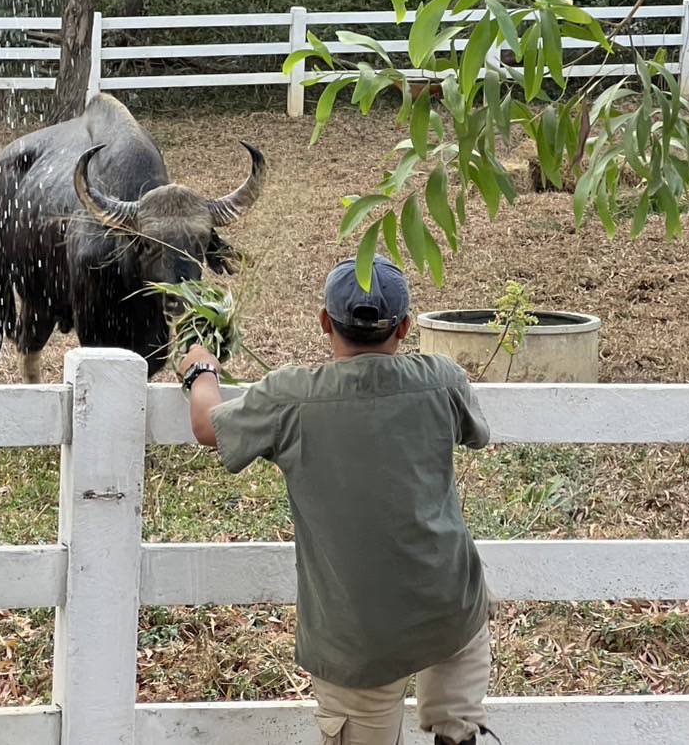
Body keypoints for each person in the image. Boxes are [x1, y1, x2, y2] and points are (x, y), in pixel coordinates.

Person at [179, 256, 494, 745]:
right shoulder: (442, 379)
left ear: (325, 322)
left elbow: (208, 425)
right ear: (405, 327)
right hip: (451, 606)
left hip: (358, 634)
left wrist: (201, 369)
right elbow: (474, 432)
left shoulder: (291, 397)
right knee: (458, 730)